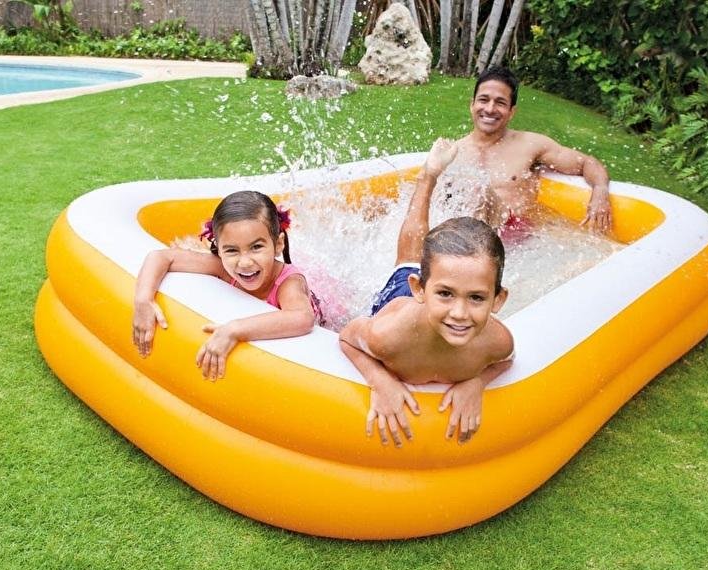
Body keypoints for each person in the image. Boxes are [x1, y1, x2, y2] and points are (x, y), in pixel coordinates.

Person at [339, 139, 514, 447]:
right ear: (419, 289)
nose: (459, 313)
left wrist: (477, 382)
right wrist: (379, 379)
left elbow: (506, 361)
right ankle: (428, 176)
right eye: (446, 294)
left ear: (497, 300)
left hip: (430, 297)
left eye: (476, 298)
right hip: (399, 300)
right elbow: (346, 338)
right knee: (408, 257)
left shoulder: (496, 341)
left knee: (432, 260)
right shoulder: (387, 335)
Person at [132, 190, 323, 380]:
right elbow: (161, 257)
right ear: (219, 249)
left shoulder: (288, 282)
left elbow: (302, 317)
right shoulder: (222, 267)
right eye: (232, 250)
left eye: (256, 247)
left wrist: (234, 330)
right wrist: (143, 299)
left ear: (278, 244)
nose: (244, 262)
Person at [443, 65, 612, 233]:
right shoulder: (452, 153)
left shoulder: (530, 145)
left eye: (500, 103)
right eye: (483, 100)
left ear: (511, 111)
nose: (490, 109)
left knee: (480, 192)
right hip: (464, 237)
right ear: (472, 105)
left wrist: (600, 193)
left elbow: (587, 163)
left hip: (514, 234)